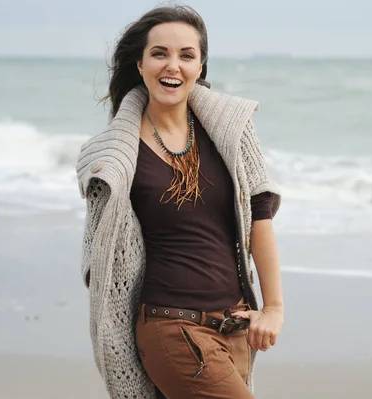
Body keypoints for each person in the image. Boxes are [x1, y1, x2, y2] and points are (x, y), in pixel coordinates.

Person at [76, 4, 283, 398]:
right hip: (170, 328)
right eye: (160, 53)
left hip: (234, 327)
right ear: (140, 64)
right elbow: (101, 259)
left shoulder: (232, 129)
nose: (173, 66)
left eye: (186, 55)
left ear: (200, 67)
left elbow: (259, 214)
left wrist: (273, 308)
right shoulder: (111, 157)